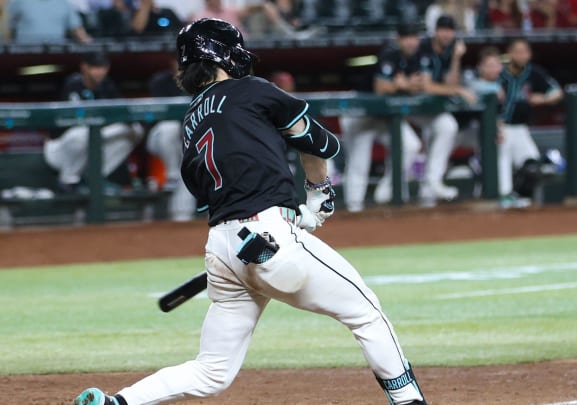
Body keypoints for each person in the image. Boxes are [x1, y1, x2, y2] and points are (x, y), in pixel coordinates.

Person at [73, 18, 427, 405]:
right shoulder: (251, 89)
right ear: (225, 55)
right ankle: (411, 401)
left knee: (211, 371)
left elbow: (217, 195)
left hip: (222, 250)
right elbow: (317, 142)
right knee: (366, 313)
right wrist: (317, 195)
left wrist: (288, 211)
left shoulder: (191, 120)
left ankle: (116, 402)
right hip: (269, 240)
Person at [340, 23, 423, 212]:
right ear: (399, 39)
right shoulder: (390, 54)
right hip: (360, 114)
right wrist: (402, 85)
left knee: (411, 145)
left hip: (383, 117)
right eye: (406, 37)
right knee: (359, 162)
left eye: (414, 37)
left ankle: (386, 190)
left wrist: (405, 85)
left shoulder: (415, 58)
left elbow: (420, 85)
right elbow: (380, 88)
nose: (411, 42)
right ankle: (354, 208)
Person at [44, 51, 143, 193]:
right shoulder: (72, 85)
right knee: (82, 133)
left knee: (134, 130)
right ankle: (68, 180)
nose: (99, 72)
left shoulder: (108, 87)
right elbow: (74, 122)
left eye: (102, 67)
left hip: (89, 148)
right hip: (59, 149)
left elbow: (124, 115)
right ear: (84, 67)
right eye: (95, 67)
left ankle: (94, 177)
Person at [416, 15, 476, 206]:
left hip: (429, 110)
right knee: (411, 144)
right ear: (435, 31)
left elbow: (451, 82)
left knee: (445, 127)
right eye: (443, 29)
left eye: (450, 30)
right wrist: (458, 90)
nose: (447, 33)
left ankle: (429, 189)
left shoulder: (450, 51)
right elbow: (426, 86)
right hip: (407, 105)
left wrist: (457, 57)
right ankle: (427, 187)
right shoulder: (423, 47)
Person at [497, 38, 563, 208]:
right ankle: (504, 196)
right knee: (501, 157)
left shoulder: (534, 73)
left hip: (520, 128)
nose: (521, 56)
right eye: (517, 51)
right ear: (509, 53)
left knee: (532, 164)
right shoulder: (498, 72)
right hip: (499, 126)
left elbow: (557, 92)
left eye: (524, 52)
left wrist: (544, 98)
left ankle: (520, 196)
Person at [146, 57, 198, 222]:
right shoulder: (160, 81)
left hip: (185, 142)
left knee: (186, 164)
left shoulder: (200, 81)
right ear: (172, 63)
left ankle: (181, 218)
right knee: (169, 128)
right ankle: (172, 175)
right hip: (159, 139)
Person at [7, 0, 92, 43]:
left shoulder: (63, 3)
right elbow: (7, 26)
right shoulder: (20, 1)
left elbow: (78, 31)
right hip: (22, 55)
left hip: (55, 55)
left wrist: (93, 46)